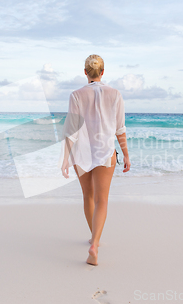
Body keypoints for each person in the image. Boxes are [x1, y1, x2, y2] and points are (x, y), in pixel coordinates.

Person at [60, 54, 131, 266]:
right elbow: (120, 129)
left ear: (85, 72)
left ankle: (93, 237)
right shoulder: (115, 94)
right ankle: (95, 243)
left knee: (88, 196)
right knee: (102, 200)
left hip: (81, 153)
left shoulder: (76, 95)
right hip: (105, 152)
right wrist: (126, 154)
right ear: (102, 72)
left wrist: (65, 158)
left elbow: (71, 130)